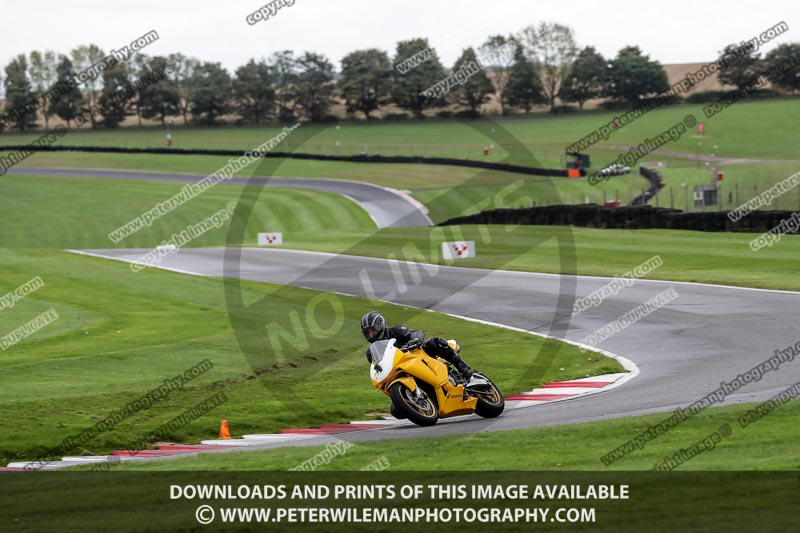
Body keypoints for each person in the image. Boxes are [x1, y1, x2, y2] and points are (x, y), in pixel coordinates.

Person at [360, 311, 482, 385]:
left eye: (373, 330)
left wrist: (415, 339)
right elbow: (378, 367)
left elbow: (415, 332)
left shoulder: (395, 331)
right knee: (396, 411)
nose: (372, 334)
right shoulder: (371, 353)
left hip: (419, 356)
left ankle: (465, 370)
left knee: (435, 342)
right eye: (368, 333)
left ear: (380, 325)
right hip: (402, 370)